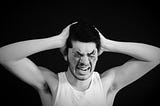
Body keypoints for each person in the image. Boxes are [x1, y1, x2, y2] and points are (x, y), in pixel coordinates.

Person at [0, 21, 160, 106]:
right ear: (65, 55)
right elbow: (4, 55)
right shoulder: (50, 85)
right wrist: (57, 40)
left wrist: (108, 44)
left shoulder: (107, 85)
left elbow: (156, 56)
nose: (84, 62)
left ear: (98, 54)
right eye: (77, 54)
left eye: (91, 54)